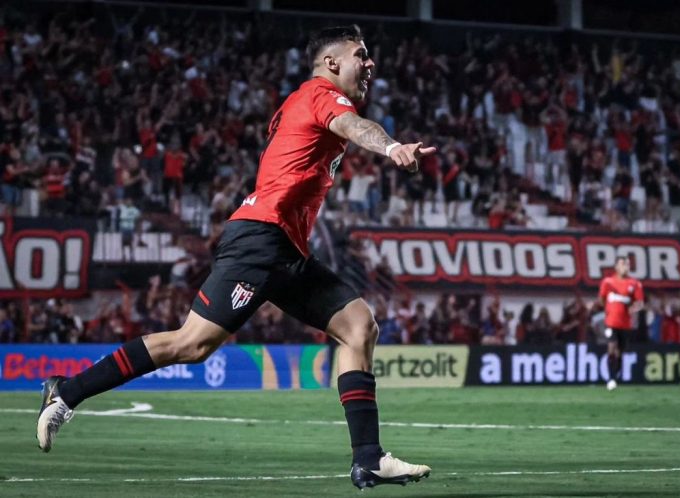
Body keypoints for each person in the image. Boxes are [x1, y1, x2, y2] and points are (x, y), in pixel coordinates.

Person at [36, 25, 434, 490]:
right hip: (260, 240)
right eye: (360, 55)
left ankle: (368, 458)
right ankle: (67, 392)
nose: (369, 64)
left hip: (284, 246)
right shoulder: (322, 96)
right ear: (331, 63)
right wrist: (391, 147)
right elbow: (354, 126)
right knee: (192, 345)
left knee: (358, 325)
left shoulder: (298, 103)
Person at [597, 256, 644, 391]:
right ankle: (611, 379)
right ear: (616, 266)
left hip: (625, 323)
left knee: (619, 352)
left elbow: (640, 303)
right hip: (611, 322)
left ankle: (615, 376)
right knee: (611, 347)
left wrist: (632, 308)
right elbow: (601, 299)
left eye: (628, 264)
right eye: (623, 264)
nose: (626, 267)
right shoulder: (608, 282)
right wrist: (607, 309)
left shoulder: (634, 284)